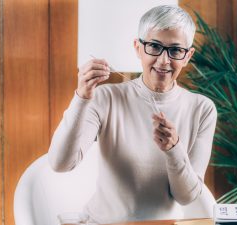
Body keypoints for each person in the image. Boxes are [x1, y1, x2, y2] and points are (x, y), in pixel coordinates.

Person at [48, 5, 217, 224]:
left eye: (175, 50)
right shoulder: (104, 98)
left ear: (187, 56)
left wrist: (174, 149)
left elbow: (187, 197)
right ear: (138, 48)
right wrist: (81, 98)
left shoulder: (202, 109)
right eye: (154, 46)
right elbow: (60, 163)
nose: (164, 60)